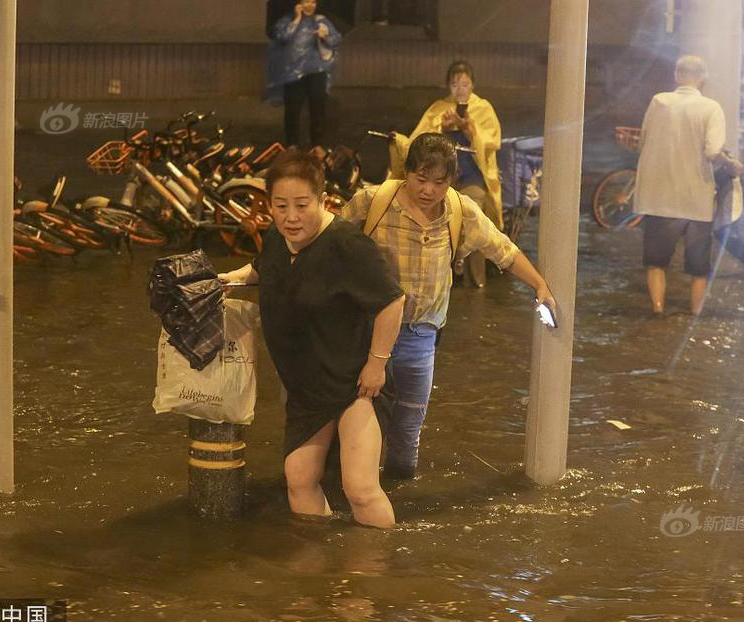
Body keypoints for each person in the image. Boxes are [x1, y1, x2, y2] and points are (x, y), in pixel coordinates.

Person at [341, 133, 555, 479]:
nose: (427, 190)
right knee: (361, 413)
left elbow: (503, 250)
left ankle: (398, 489)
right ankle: (356, 488)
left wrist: (539, 284)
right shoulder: (373, 201)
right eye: (420, 179)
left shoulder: (460, 211)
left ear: (451, 181)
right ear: (405, 173)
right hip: (366, 330)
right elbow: (329, 238)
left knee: (409, 424)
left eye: (438, 183)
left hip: (421, 335)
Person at [219, 150, 405, 528]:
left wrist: (376, 364)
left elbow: (392, 300)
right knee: (299, 478)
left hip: (355, 384)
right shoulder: (276, 239)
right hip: (308, 390)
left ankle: (376, 576)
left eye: (302, 205)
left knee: (360, 488)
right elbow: (260, 270)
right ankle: (322, 567)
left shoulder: (347, 245)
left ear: (322, 200)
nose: (291, 217)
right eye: (280, 205)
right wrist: (227, 281)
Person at [635, 55, 743, 316]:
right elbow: (713, 150)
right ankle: (695, 312)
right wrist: (731, 164)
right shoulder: (711, 108)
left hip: (658, 197)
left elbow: (644, 140)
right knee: (698, 268)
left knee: (656, 263)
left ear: (676, 75)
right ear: (703, 79)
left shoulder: (659, 101)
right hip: (696, 199)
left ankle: (657, 311)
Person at [390, 60, 503, 288]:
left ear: (472, 85)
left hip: (471, 176)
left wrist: (467, 128)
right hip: (441, 180)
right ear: (448, 86)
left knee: (474, 216)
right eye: (454, 84)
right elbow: (417, 141)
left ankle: (477, 280)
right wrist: (441, 129)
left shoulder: (482, 108)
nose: (460, 89)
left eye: (464, 83)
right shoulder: (439, 109)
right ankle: (430, 276)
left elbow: (492, 141)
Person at [266, 0, 341, 150]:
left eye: (313, 2)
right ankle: (292, 144)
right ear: (298, 3)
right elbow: (281, 36)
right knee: (292, 110)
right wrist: (296, 19)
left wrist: (325, 35)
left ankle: (317, 144)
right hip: (293, 74)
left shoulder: (321, 20)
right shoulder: (287, 20)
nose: (310, 5)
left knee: (318, 109)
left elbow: (336, 39)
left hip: (317, 72)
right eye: (306, 1)